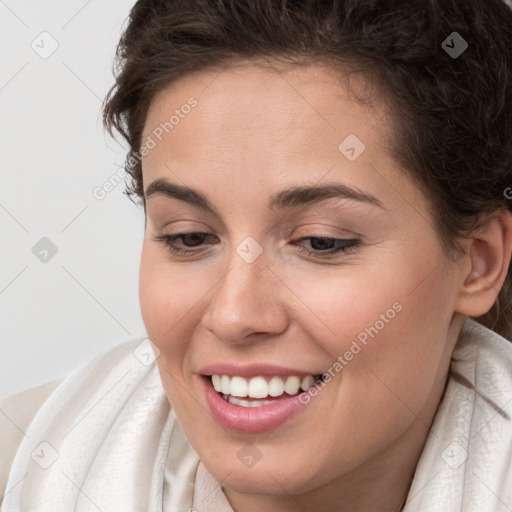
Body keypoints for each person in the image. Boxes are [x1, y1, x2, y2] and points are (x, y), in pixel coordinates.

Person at [2, 0, 512, 510]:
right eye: (189, 237)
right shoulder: (24, 471)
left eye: (321, 242)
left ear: (480, 262)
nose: (233, 315)